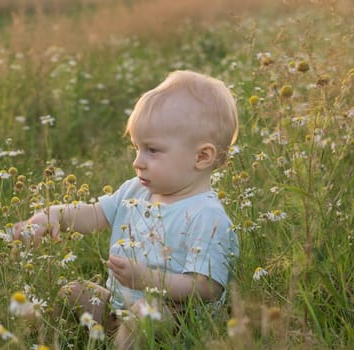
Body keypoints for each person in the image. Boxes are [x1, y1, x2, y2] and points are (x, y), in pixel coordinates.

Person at [17, 70, 240, 349]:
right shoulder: (137, 190)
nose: (138, 162)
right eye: (137, 149)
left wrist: (147, 279)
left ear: (201, 156)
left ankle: (124, 340)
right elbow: (93, 214)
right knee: (71, 293)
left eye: (152, 150)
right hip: (121, 308)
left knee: (142, 319)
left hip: (180, 320)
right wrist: (50, 216)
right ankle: (73, 340)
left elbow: (206, 288)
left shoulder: (206, 216)